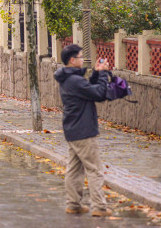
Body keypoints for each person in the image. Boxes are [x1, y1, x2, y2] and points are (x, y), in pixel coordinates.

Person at [54, 44, 112, 217]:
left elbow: (89, 91)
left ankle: (73, 204)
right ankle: (99, 207)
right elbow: (99, 94)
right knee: (94, 169)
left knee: (74, 169)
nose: (82, 59)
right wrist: (102, 74)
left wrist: (95, 73)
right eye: (80, 57)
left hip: (73, 129)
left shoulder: (70, 79)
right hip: (84, 130)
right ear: (72, 60)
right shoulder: (74, 81)